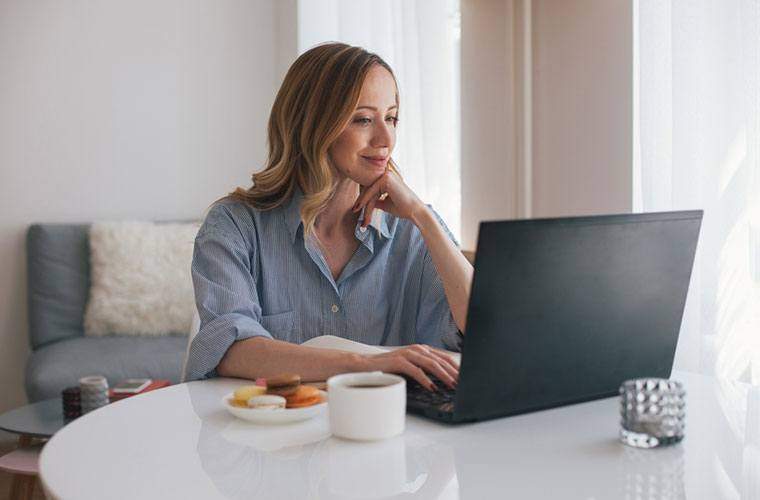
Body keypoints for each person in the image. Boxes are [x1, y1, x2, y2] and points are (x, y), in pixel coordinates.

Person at [185, 42, 473, 391]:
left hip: (389, 435)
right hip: (268, 439)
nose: (386, 138)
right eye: (364, 119)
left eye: (392, 117)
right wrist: (369, 363)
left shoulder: (412, 229)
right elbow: (230, 350)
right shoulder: (233, 227)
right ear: (313, 124)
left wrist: (422, 216)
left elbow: (484, 333)